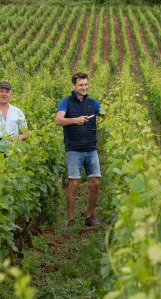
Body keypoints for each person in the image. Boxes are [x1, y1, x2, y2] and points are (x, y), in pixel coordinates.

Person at [55, 72, 102, 227]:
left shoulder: (93, 103)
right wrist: (75, 120)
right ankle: (71, 220)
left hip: (91, 148)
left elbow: (103, 113)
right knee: (74, 184)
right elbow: (58, 120)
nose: (84, 87)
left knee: (95, 182)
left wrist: (106, 114)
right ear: (74, 85)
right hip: (73, 149)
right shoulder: (66, 102)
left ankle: (89, 216)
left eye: (86, 84)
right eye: (81, 84)